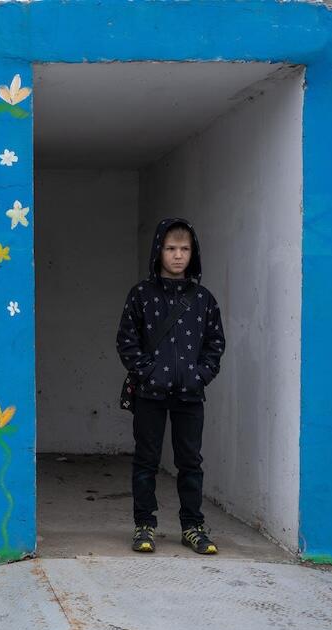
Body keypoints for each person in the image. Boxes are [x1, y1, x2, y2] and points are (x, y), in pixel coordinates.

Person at [115, 218, 226, 554]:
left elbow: (215, 344)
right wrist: (150, 373)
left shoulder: (203, 299)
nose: (178, 256)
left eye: (185, 249)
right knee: (146, 461)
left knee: (190, 462)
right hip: (150, 394)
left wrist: (199, 375)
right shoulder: (141, 295)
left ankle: (192, 526)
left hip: (190, 396)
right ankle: (144, 526)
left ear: (193, 253)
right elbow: (126, 341)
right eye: (171, 248)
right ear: (159, 251)